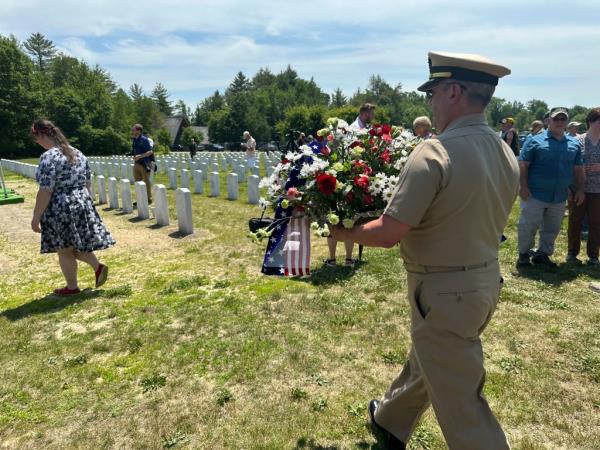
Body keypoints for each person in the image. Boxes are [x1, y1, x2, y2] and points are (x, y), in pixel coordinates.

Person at [331, 51, 518, 450]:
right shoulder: (504, 150)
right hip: (484, 281)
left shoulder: (435, 152)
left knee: (461, 400)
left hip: (443, 289)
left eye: (432, 93)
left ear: (452, 92)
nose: (430, 103)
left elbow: (388, 232)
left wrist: (341, 231)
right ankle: (390, 420)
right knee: (432, 357)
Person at [31, 119, 114, 296]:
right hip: (81, 201)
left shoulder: (48, 157)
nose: (36, 142)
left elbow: (46, 190)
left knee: (64, 249)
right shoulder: (78, 153)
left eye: (35, 137)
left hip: (61, 205)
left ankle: (72, 287)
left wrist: (36, 217)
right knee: (74, 246)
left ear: (42, 134)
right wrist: (88, 206)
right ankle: (97, 267)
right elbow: (88, 183)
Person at [517, 107, 584, 267]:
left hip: (559, 196)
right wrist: (523, 186)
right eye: (556, 119)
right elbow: (523, 165)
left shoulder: (574, 143)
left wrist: (580, 189)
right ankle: (524, 254)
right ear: (548, 121)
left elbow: (578, 168)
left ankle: (543, 254)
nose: (560, 122)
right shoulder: (534, 140)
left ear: (567, 122)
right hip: (535, 193)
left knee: (552, 228)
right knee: (528, 226)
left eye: (563, 119)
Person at [326, 104, 376, 267]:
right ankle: (333, 258)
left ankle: (347, 258)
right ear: (364, 113)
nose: (373, 116)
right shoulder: (353, 128)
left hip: (355, 177)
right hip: (346, 176)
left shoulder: (363, 128)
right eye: (371, 113)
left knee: (350, 218)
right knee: (335, 219)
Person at [567, 107, 600, 265]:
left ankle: (593, 255)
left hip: (598, 189)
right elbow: (568, 161)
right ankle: (572, 252)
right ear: (591, 122)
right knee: (575, 220)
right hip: (578, 187)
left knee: (596, 222)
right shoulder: (578, 140)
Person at [131, 124, 153, 204]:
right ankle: (140, 199)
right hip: (136, 163)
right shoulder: (134, 140)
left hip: (144, 164)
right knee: (137, 182)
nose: (132, 131)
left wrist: (140, 156)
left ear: (139, 131)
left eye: (134, 130)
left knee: (146, 182)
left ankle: (148, 198)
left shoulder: (144, 140)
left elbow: (150, 152)